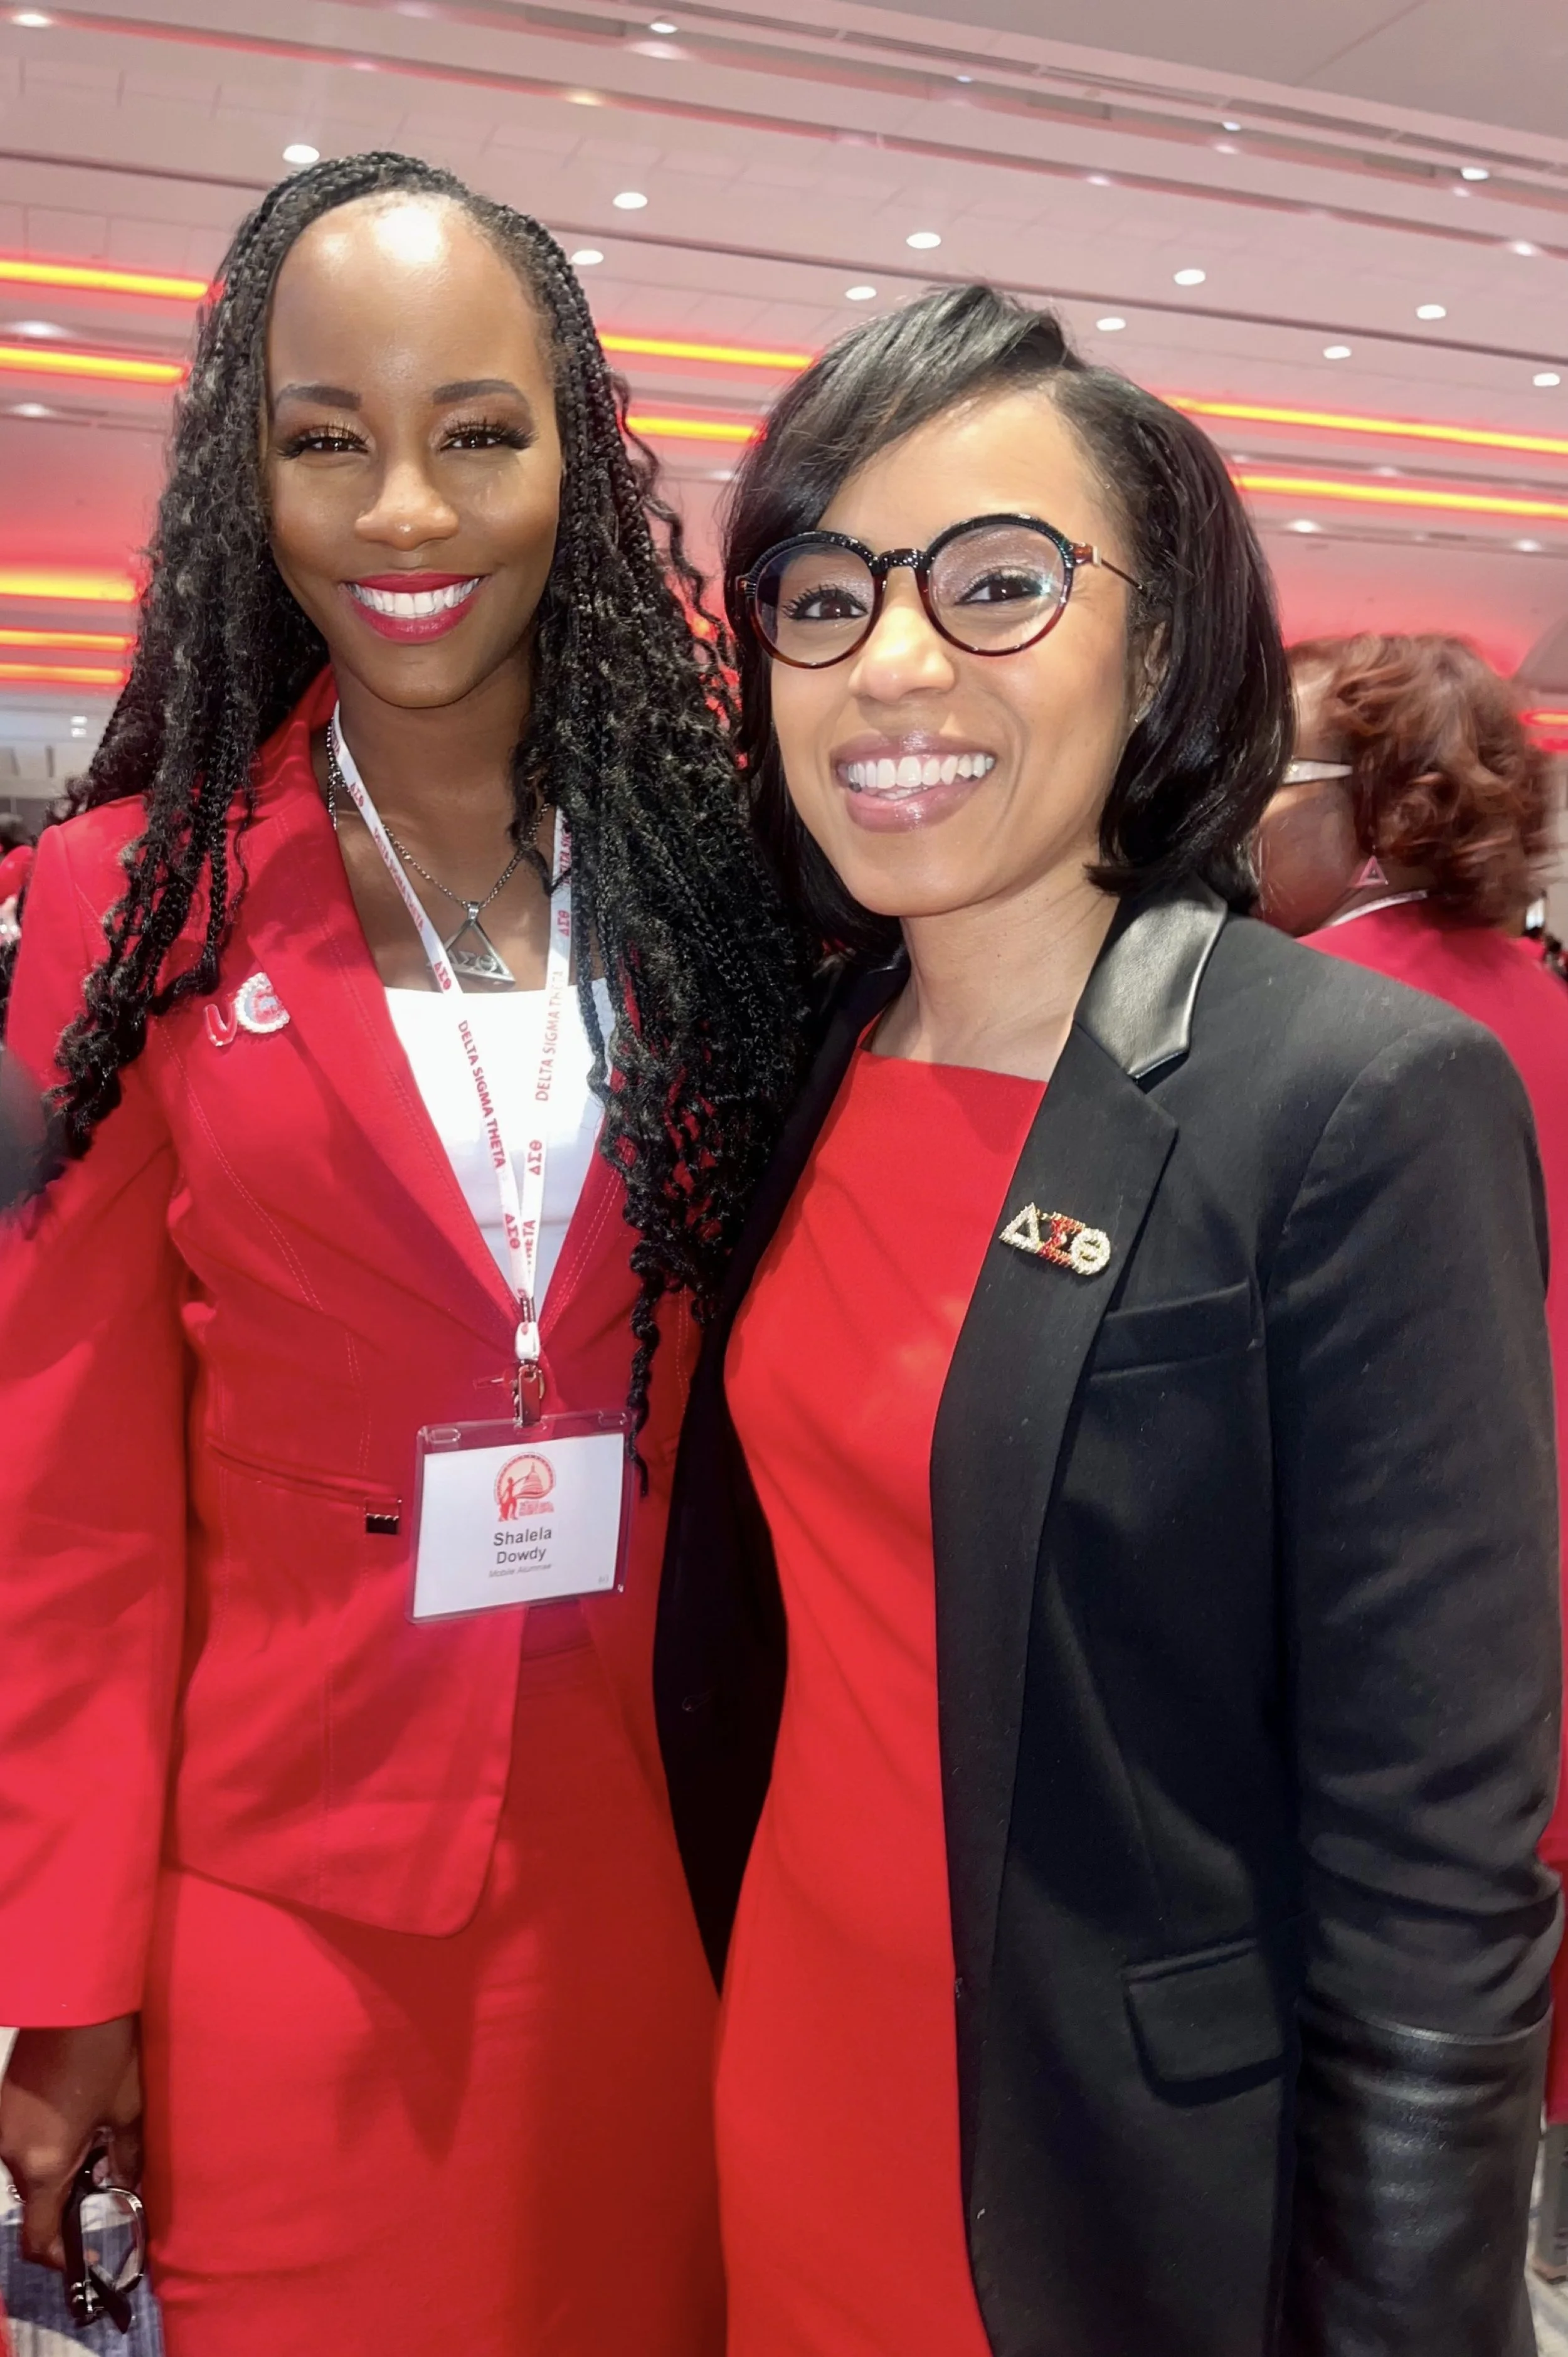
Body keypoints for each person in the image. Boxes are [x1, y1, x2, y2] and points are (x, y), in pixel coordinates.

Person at [653, 284, 1561, 2357]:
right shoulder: (806, 1053)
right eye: (823, 592)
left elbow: (1439, 1874)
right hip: (791, 2077)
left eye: (996, 584)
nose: (894, 658)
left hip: (1120, 2201)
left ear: (1158, 643)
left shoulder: (1343, 1097)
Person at [0, 151, 805, 2357]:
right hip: (283, 1914)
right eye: (323, 439)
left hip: (666, 1876)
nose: (405, 515)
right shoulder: (119, 911)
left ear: (575, 449)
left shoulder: (729, 879)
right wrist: (60, 1980)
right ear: (238, 476)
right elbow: (62, 1498)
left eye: (477, 430)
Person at [1259, 628, 1568, 2166]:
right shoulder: (1549, 1002)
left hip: (1399, 1657)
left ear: (1369, 808)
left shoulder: (1284, 1031)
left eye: (1278, 775)